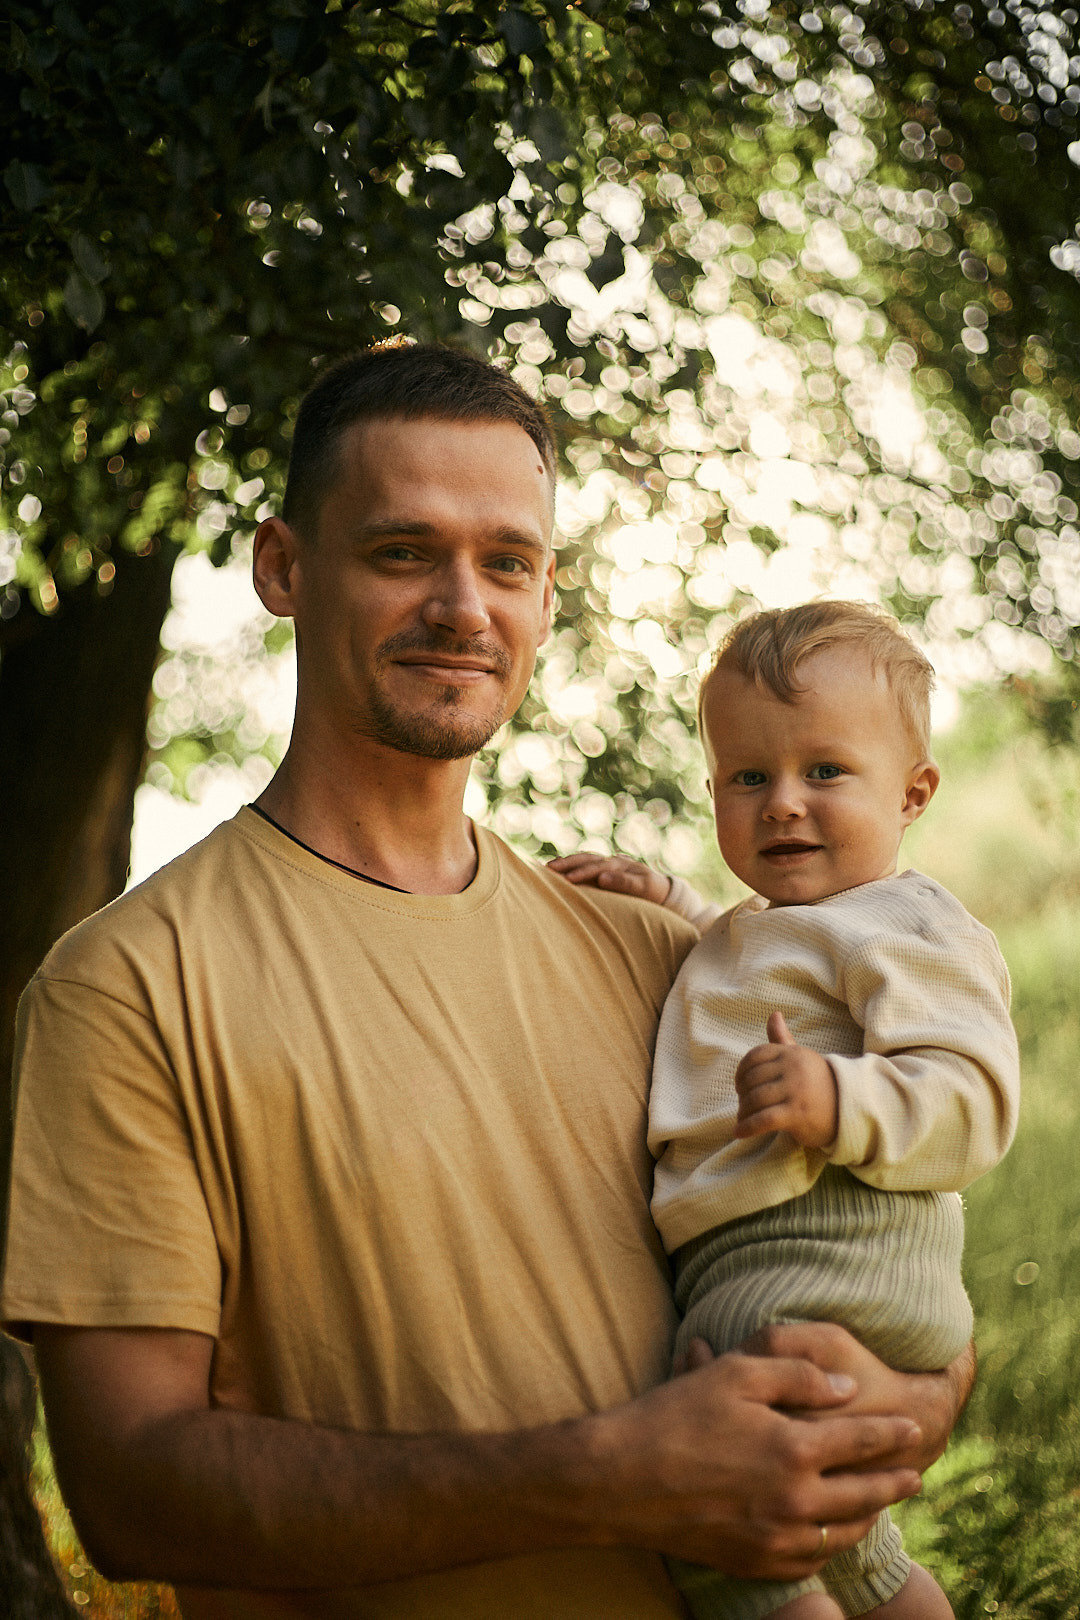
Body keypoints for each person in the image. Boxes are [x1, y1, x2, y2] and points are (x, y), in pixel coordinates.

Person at [2, 346, 971, 1620]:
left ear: (546, 596)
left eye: (507, 561)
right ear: (284, 567)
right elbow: (131, 1492)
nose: (465, 606)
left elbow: (886, 1258)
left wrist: (909, 1404)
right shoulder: (129, 984)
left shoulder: (661, 956)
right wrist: (604, 1482)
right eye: (404, 552)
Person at [552, 601, 1019, 1619]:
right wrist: (663, 898)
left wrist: (839, 1096)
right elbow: (744, 955)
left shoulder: (910, 922)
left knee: (721, 1537)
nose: (783, 805)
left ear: (914, 793)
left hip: (816, 1265)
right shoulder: (783, 926)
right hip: (781, 1270)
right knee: (853, 1553)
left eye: (825, 772)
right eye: (747, 778)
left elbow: (975, 1095)